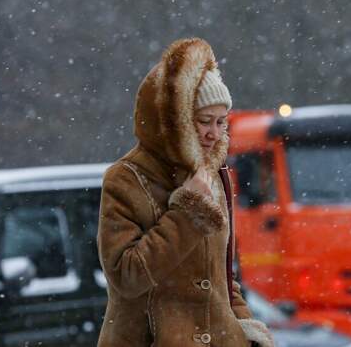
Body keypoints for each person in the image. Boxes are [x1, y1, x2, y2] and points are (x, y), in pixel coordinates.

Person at [96, 38, 274, 347]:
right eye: (204, 121)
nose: (214, 133)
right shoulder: (126, 178)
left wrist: (247, 331)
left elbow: (222, 279)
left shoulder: (214, 175)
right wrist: (188, 212)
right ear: (173, 122)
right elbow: (126, 276)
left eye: (221, 122)